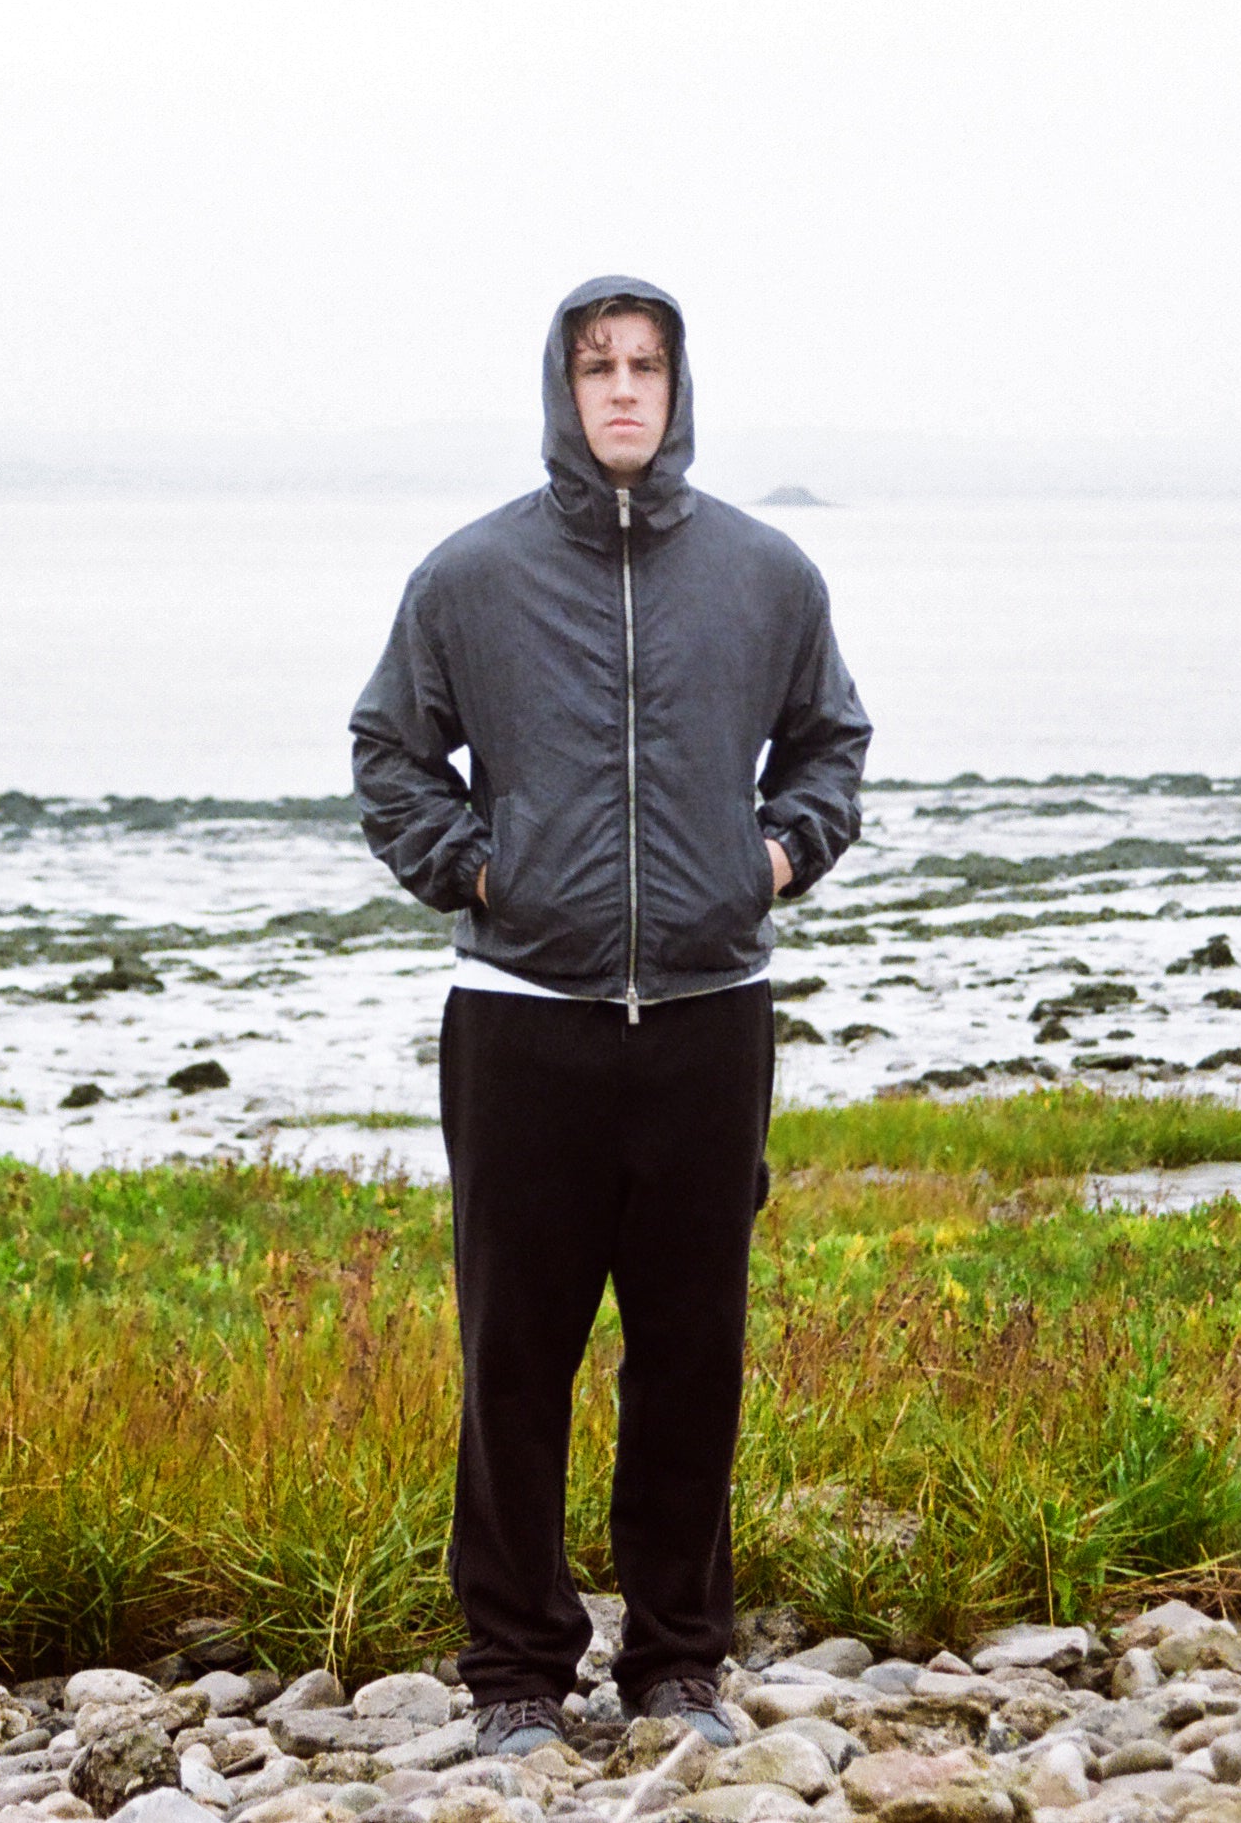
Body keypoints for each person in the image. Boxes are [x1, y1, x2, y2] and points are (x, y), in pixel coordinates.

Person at [349, 276, 872, 1757]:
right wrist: (477, 870)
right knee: (516, 1359)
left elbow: (830, 742)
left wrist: (774, 858)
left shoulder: (767, 574)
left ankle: (677, 1666)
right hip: (523, 1018)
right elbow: (391, 750)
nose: (624, 389)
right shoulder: (472, 577)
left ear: (678, 387)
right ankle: (517, 1672)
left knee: (692, 1357)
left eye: (647, 365)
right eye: (599, 367)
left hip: (711, 1014)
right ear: (563, 389)